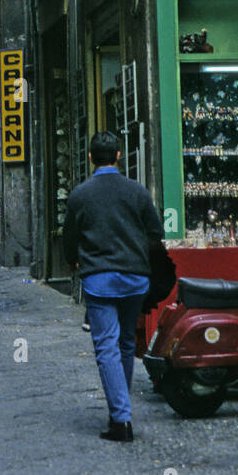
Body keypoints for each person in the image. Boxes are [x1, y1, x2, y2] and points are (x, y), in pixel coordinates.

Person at [62, 130, 163, 443]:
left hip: (99, 278)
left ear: (90, 157)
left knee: (106, 345)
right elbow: (155, 232)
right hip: (135, 277)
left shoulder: (80, 194)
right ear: (119, 156)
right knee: (126, 344)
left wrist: (74, 261)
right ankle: (119, 408)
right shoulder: (136, 191)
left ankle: (121, 418)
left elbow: (70, 238)